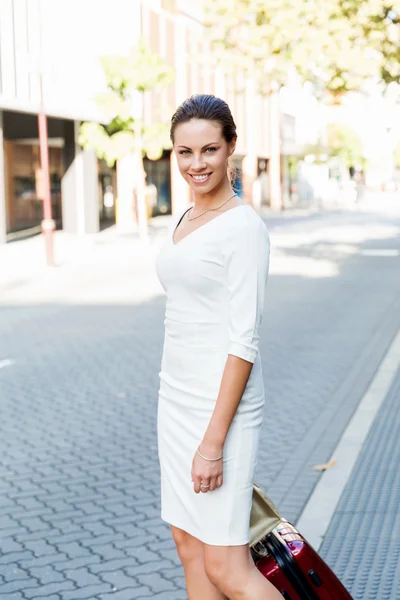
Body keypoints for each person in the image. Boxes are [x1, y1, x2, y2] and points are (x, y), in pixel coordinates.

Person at [155, 94, 281, 600]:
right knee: (188, 545)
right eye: (185, 152)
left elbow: (243, 342)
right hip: (176, 401)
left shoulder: (244, 228)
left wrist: (213, 443)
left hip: (221, 413)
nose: (196, 163)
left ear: (231, 147)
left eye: (209, 149)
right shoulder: (183, 218)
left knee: (227, 563)